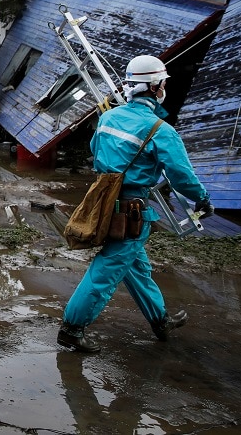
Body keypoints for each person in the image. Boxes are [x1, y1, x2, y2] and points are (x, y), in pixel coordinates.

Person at [57, 55, 214, 353]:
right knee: (106, 270)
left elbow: (96, 151)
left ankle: (160, 320)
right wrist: (203, 199)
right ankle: (71, 329)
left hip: (104, 202)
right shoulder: (161, 131)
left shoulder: (107, 118)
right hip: (131, 213)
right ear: (155, 88)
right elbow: (181, 176)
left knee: (137, 268)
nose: (165, 87)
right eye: (163, 83)